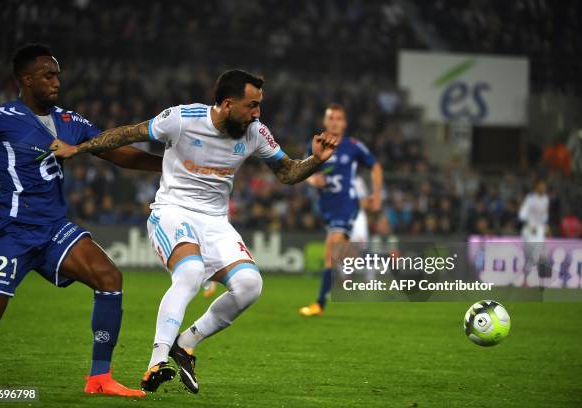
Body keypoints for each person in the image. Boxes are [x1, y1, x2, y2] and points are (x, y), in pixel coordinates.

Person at [49, 69, 339, 394]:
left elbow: (287, 173)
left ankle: (185, 344)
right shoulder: (183, 119)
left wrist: (315, 159)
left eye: (259, 106)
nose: (257, 113)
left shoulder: (255, 132)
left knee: (250, 285)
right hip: (172, 211)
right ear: (228, 104)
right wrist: (80, 149)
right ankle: (156, 362)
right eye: (252, 105)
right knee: (190, 271)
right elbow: (129, 133)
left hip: (215, 222)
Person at [0, 44, 164, 397]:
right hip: (12, 230)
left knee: (109, 277)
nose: (57, 81)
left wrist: (164, 166)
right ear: (26, 79)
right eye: (48, 74)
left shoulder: (69, 121)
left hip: (54, 228)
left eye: (57, 74)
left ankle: (99, 379)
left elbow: (113, 150)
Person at [299, 104, 382, 316]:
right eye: (331, 118)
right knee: (344, 255)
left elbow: (375, 166)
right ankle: (386, 260)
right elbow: (302, 170)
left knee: (331, 250)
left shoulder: (353, 146)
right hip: (327, 207)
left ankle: (319, 304)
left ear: (344, 123)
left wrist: (377, 195)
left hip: (347, 205)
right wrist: (312, 179)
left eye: (339, 118)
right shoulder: (316, 144)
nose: (335, 121)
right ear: (325, 122)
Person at [518, 179, 549, 285]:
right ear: (536, 188)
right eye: (541, 186)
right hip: (529, 231)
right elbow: (522, 214)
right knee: (531, 257)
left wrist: (545, 225)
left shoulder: (545, 199)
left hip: (539, 231)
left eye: (544, 187)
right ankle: (526, 278)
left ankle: (529, 280)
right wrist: (530, 224)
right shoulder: (530, 199)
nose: (543, 189)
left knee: (539, 256)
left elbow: (544, 216)